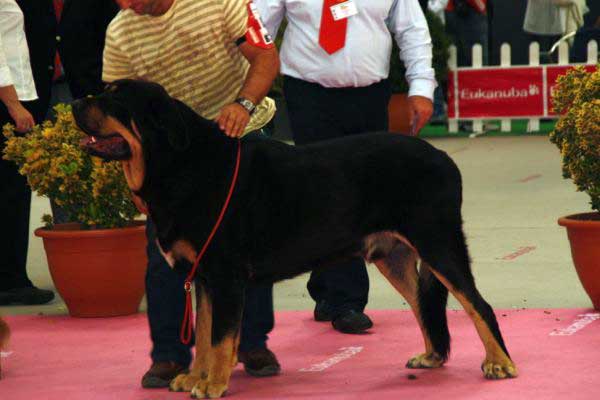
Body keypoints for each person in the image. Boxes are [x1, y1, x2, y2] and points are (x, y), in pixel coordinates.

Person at [104, 0, 281, 387]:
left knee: (248, 248)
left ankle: (252, 344)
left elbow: (265, 58)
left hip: (238, 132)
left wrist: (243, 103)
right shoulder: (119, 32)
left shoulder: (220, 3)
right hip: (171, 153)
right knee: (163, 253)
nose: (126, 4)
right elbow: (117, 119)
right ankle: (169, 355)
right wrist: (131, 178)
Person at [255, 0, 435, 334]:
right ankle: (346, 300)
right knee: (326, 195)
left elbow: (412, 28)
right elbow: (256, 25)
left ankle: (326, 283)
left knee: (364, 195)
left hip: (370, 96)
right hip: (308, 94)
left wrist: (422, 87)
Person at [16, 0, 120, 224]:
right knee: (60, 174)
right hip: (41, 95)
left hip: (90, 93)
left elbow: (113, 31)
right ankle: (70, 233)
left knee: (99, 169)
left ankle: (104, 231)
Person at [0, 0, 55, 306]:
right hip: (9, 100)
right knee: (10, 191)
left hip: (18, 93)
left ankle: (11, 275)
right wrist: (14, 105)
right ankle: (10, 279)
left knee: (13, 190)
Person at [445, 0, 489, 66]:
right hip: (460, 12)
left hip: (472, 13)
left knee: (476, 57)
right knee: (460, 56)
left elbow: (481, 6)